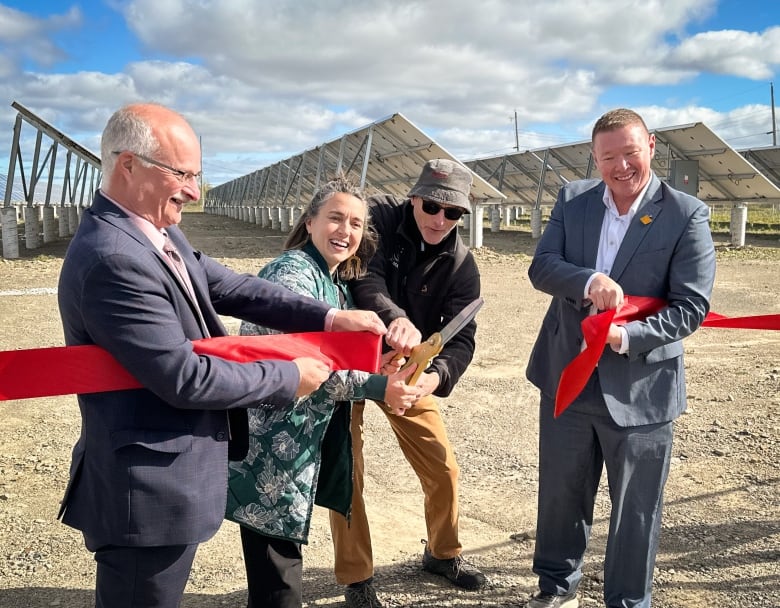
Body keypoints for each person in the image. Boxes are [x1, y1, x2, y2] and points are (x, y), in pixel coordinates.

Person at [56, 102, 385, 608]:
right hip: (145, 490)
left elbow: (228, 285)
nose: (193, 189)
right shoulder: (114, 258)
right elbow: (182, 376)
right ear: (128, 165)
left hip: (165, 476)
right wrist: (286, 376)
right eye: (182, 174)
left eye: (196, 175)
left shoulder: (154, 231)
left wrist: (327, 318)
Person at [524, 108, 716, 608]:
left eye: (630, 152)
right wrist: (589, 281)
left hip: (640, 387)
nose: (621, 166)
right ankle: (555, 587)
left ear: (651, 146)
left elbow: (692, 306)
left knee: (635, 508)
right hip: (568, 375)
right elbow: (543, 266)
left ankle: (628, 601)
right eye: (609, 156)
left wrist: (629, 337)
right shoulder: (573, 200)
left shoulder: (684, 213)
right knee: (562, 493)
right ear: (595, 157)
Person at [227, 174, 421, 608]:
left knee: (280, 562)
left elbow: (336, 358)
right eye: (335, 218)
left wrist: (378, 366)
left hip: (292, 443)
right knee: (278, 576)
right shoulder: (291, 273)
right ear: (310, 221)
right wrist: (378, 386)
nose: (346, 232)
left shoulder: (331, 281)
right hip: (271, 444)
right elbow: (308, 365)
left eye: (356, 224)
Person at [330, 158, 488, 608]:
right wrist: (395, 318)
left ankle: (442, 554)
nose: (440, 219)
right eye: (432, 207)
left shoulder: (461, 264)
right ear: (413, 198)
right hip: (351, 361)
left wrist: (434, 379)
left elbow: (462, 339)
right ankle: (356, 578)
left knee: (442, 467)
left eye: (453, 212)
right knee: (349, 470)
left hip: (409, 369)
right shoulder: (377, 218)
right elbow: (366, 275)